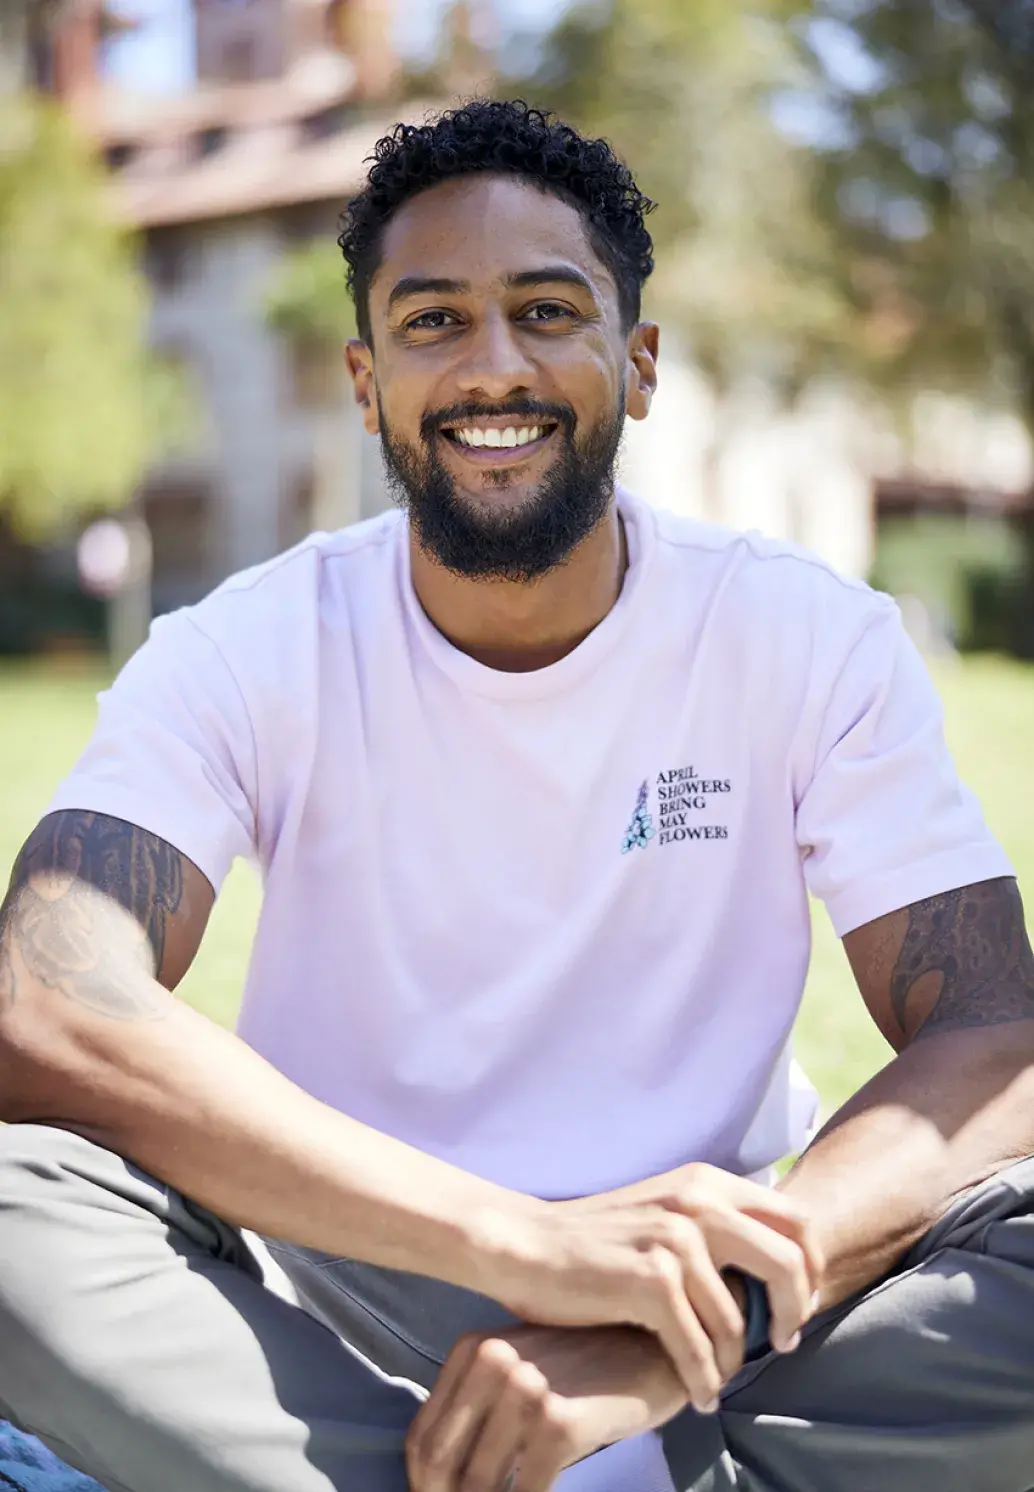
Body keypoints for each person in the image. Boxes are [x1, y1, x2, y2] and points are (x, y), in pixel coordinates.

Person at [0, 99, 1032, 1492]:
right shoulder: (242, 648)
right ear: (365, 382)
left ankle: (574, 1460)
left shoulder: (805, 636)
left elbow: (991, 1033)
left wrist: (682, 1323)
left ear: (638, 364)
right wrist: (523, 1246)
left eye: (547, 312)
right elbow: (44, 1000)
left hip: (712, 1310)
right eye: (432, 322)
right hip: (337, 1307)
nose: (493, 366)